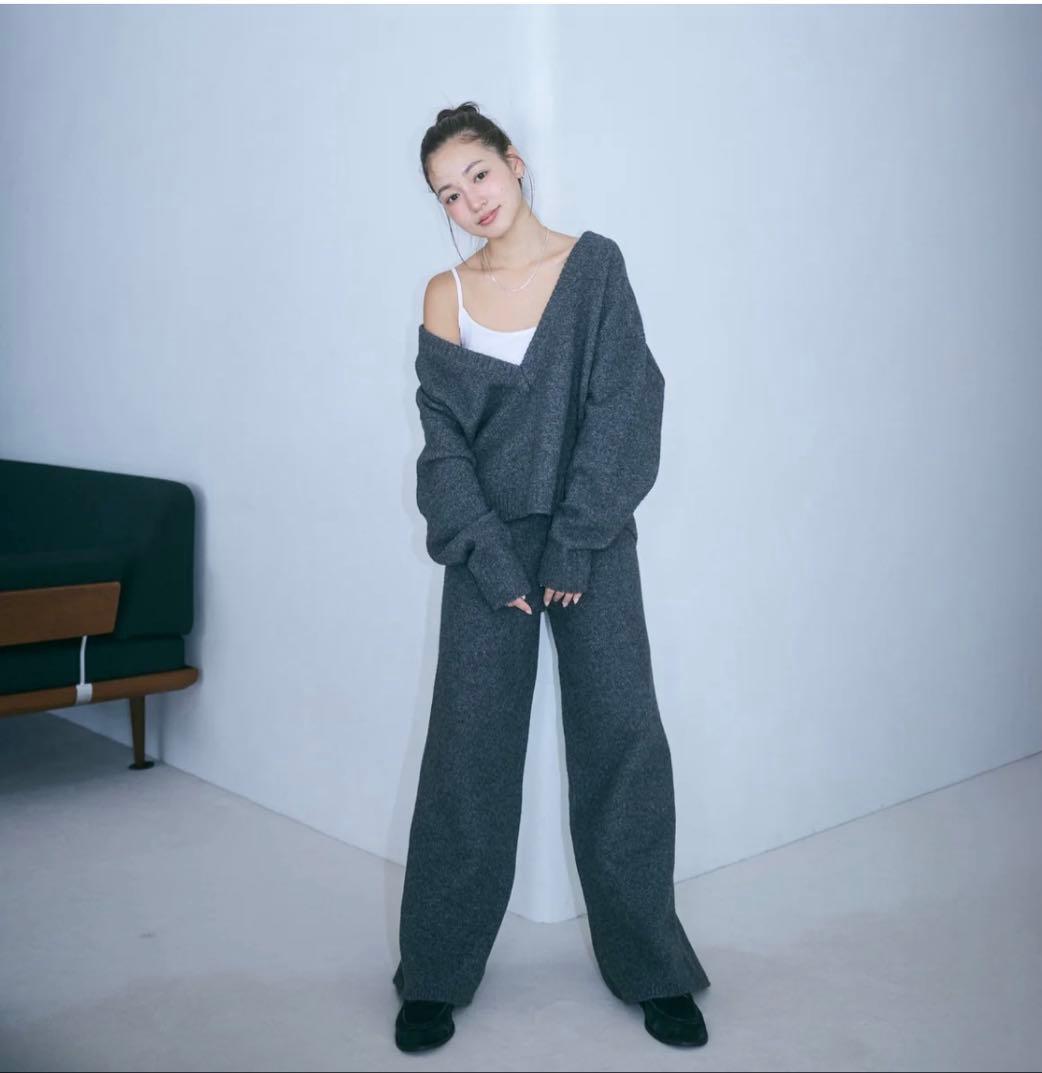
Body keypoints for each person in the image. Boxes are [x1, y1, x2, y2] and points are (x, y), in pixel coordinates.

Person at [393, 101, 711, 1053]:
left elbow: (627, 407)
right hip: (485, 548)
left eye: (478, 175)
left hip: (591, 538)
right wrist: (490, 553)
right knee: (468, 753)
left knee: (622, 742)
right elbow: (443, 447)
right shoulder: (445, 294)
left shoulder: (596, 268)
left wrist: (574, 542)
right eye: (448, 194)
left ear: (515, 163)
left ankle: (654, 969)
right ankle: (434, 973)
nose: (470, 201)